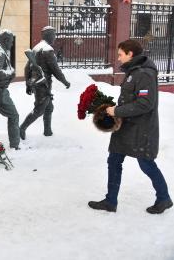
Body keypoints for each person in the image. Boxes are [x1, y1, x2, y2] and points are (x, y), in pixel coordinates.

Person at [88, 39, 172, 214]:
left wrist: (117, 111)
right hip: (126, 127)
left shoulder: (144, 74)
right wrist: (108, 108)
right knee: (114, 160)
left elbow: (145, 104)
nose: (118, 58)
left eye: (120, 54)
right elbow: (130, 99)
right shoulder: (133, 72)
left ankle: (164, 199)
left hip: (141, 130)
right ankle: (110, 201)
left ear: (130, 54)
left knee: (146, 164)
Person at [20, 26, 70, 140]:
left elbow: (27, 68)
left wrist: (28, 83)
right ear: (49, 36)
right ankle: (21, 128)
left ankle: (47, 131)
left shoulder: (36, 48)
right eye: (54, 35)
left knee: (49, 108)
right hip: (43, 85)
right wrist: (65, 82)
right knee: (39, 109)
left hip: (38, 84)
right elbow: (55, 70)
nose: (55, 38)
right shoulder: (48, 50)